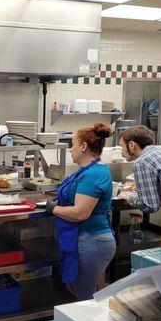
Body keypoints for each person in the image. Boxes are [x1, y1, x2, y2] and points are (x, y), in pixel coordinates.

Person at [46, 123, 116, 301]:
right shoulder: (86, 171)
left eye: (73, 144)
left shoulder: (95, 173)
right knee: (76, 288)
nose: (70, 149)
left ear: (83, 146)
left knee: (85, 298)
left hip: (93, 240)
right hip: (82, 238)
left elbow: (80, 213)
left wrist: (54, 209)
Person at [117, 125, 161, 214]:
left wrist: (129, 197)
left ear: (132, 145)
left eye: (122, 147)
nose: (121, 152)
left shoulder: (142, 162)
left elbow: (151, 206)